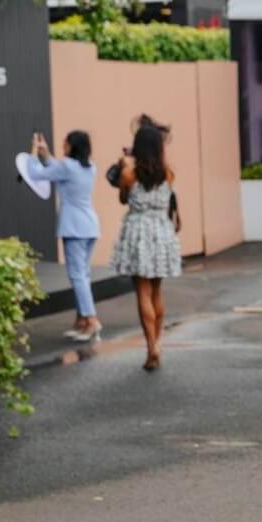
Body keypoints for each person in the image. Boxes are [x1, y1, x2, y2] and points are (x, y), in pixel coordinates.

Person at [111, 119, 182, 371]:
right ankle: (158, 343)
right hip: (161, 232)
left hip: (138, 232)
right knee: (157, 292)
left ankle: (151, 346)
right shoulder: (168, 173)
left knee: (142, 292)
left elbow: (122, 198)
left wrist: (122, 167)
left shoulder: (130, 174)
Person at [27, 129, 101, 343]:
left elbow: (35, 173)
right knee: (83, 275)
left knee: (77, 276)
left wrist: (33, 153)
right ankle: (82, 322)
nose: (63, 145)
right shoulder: (90, 168)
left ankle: (91, 319)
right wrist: (46, 155)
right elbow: (58, 170)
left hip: (74, 228)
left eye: (65, 143)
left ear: (71, 146)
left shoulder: (67, 167)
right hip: (90, 226)